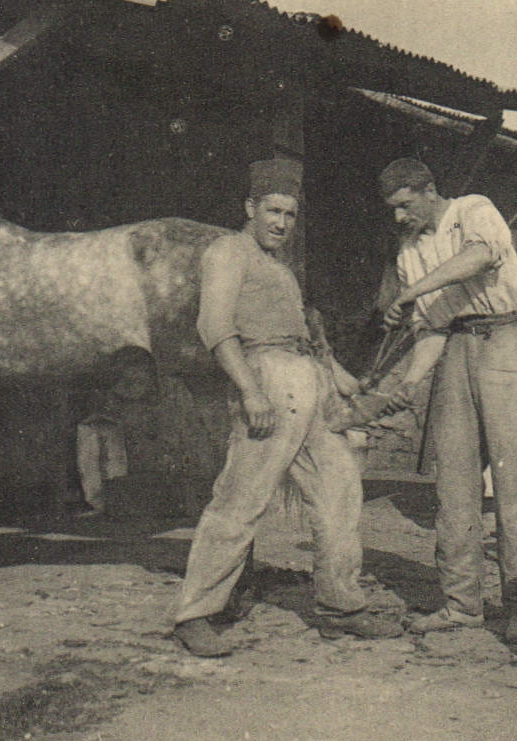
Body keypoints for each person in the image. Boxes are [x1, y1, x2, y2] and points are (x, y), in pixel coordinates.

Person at [170, 158, 403, 657]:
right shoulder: (228, 252)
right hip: (267, 379)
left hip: (308, 383)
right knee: (241, 499)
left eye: (290, 215)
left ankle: (340, 604)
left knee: (340, 487)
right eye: (273, 211)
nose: (281, 223)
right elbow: (215, 328)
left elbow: (310, 343)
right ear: (249, 208)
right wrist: (251, 392)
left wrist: (347, 383)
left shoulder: (280, 269)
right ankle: (195, 614)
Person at [377, 158, 517, 635]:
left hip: (507, 343)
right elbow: (431, 328)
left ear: (429, 190)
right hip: (453, 349)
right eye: (392, 209)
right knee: (453, 485)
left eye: (405, 206)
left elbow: (482, 257)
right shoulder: (409, 252)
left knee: (515, 485)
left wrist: (413, 293)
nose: (399, 217)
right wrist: (410, 384)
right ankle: (461, 604)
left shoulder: (474, 209)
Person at [74, 346, 202, 518]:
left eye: (139, 381)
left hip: (168, 483)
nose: (133, 388)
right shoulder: (107, 411)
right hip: (127, 488)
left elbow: (190, 445)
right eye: (128, 382)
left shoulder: (172, 397)